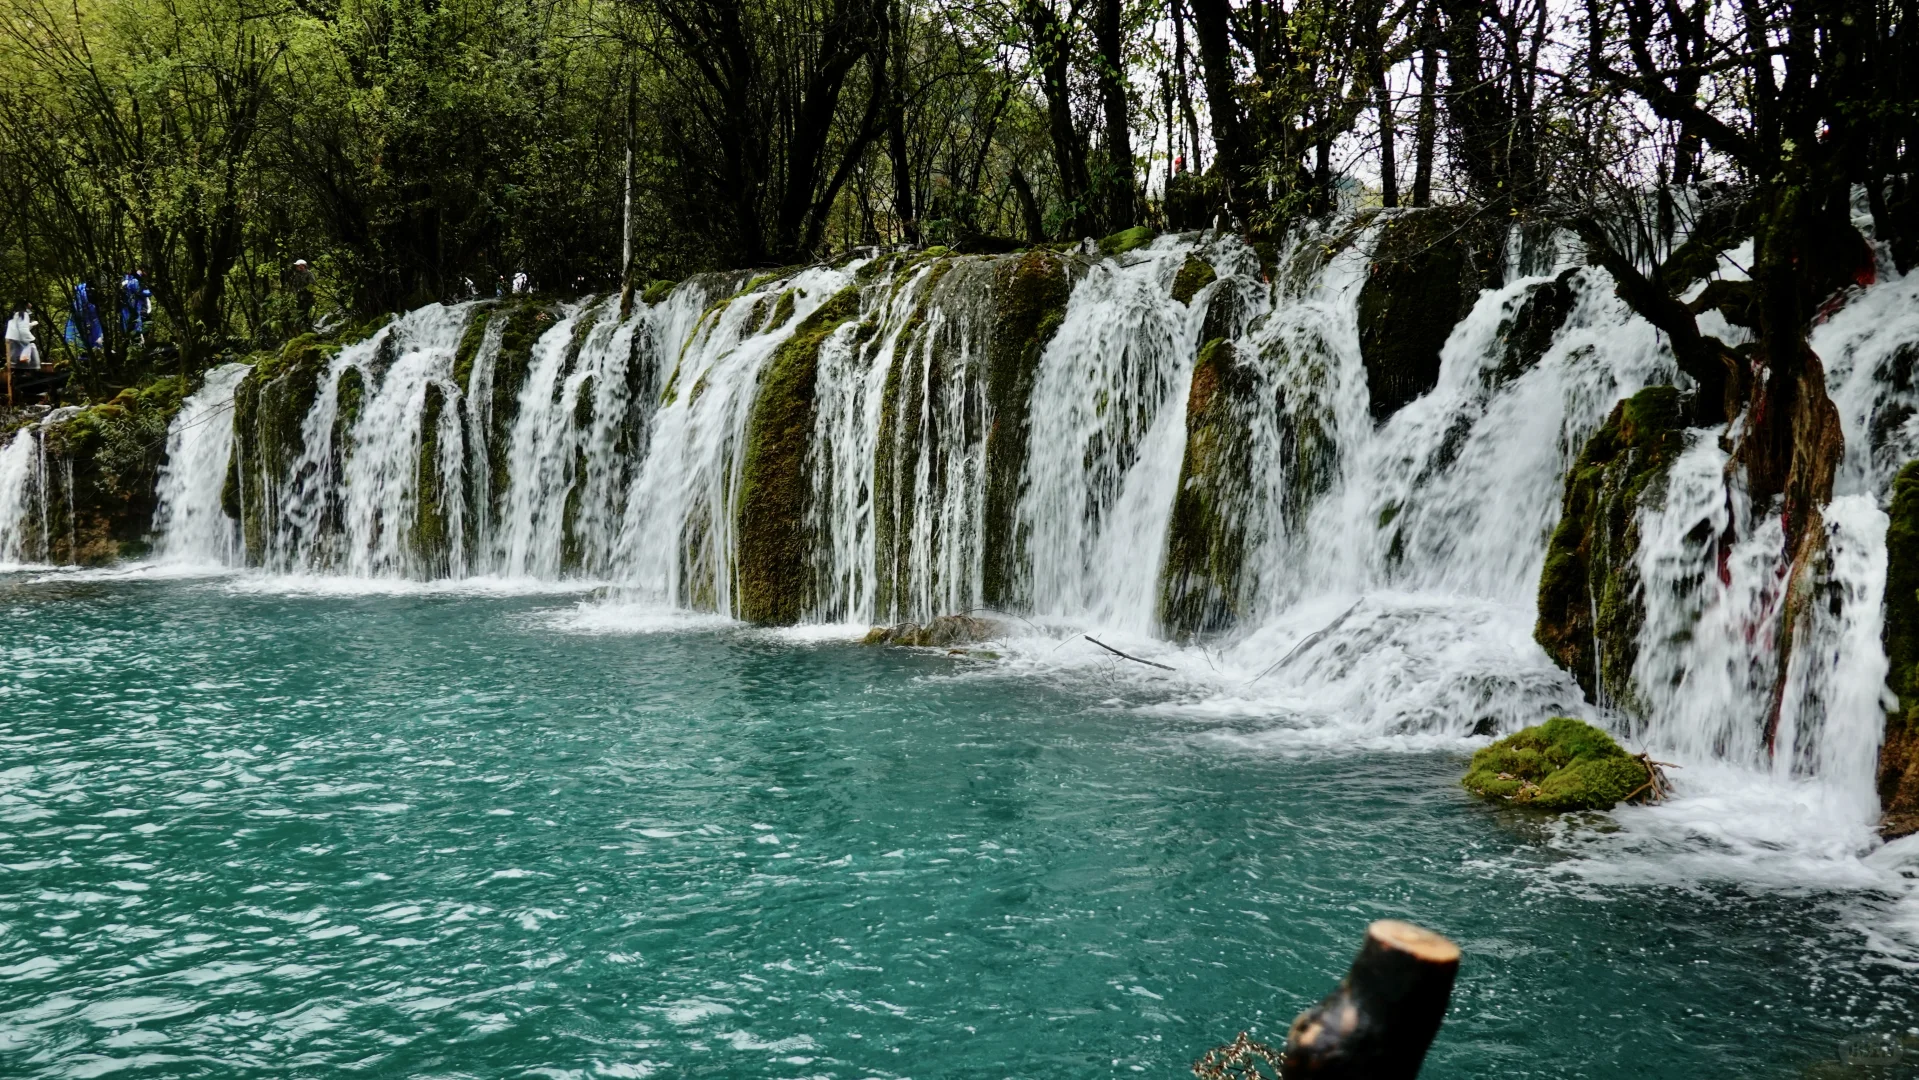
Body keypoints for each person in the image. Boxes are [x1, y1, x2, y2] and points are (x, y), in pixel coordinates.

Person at [6, 302, 37, 369]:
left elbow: (18, 326)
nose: (29, 309)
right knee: (28, 349)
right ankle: (25, 369)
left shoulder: (14, 314)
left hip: (11, 337)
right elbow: (23, 328)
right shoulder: (23, 314)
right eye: (29, 307)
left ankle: (14, 371)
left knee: (14, 357)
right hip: (19, 336)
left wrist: (31, 324)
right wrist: (29, 337)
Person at [288, 258, 316, 326]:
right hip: (299, 297)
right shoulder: (297, 275)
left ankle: (308, 325)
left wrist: (302, 290)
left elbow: (312, 284)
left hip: (307, 297)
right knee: (300, 312)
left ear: (302, 266)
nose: (297, 267)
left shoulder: (309, 274)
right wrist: (295, 291)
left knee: (306, 312)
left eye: (298, 266)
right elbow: (294, 284)